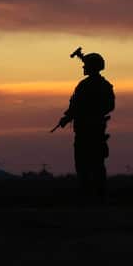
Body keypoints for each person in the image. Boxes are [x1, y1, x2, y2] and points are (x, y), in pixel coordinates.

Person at [56, 51, 114, 200]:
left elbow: (77, 106)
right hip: (96, 131)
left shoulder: (85, 86)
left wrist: (69, 117)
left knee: (85, 166)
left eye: (85, 65)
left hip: (86, 132)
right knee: (96, 165)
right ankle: (97, 197)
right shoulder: (104, 85)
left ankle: (89, 197)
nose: (83, 68)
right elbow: (108, 105)